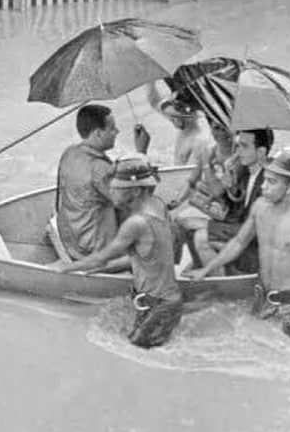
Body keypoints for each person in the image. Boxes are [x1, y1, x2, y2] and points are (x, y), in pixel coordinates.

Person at [189, 148, 290, 337]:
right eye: (265, 179)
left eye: (271, 182)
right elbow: (238, 242)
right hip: (262, 294)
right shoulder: (260, 206)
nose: (263, 186)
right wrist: (206, 269)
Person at [56, 155, 182, 348]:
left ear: (136, 191)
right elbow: (148, 257)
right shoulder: (157, 205)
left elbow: (101, 258)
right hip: (162, 301)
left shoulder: (135, 224)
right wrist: (104, 269)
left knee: (135, 352)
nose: (111, 193)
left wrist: (66, 269)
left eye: (117, 188)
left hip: (159, 304)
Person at [55, 104, 150, 261]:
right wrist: (141, 154)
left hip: (72, 240)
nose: (117, 132)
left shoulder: (70, 153)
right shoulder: (99, 168)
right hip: (94, 248)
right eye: (112, 128)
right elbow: (131, 202)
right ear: (98, 133)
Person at [198, 128, 275, 274]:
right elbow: (236, 207)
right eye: (238, 146)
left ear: (261, 152)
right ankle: (210, 273)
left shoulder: (269, 181)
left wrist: (208, 227)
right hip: (241, 229)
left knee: (200, 236)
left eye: (244, 147)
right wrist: (231, 187)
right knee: (189, 227)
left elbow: (255, 228)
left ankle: (224, 286)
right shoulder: (245, 173)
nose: (238, 152)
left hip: (256, 243)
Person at [168, 117, 238, 267]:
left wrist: (207, 164)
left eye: (223, 128)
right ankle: (178, 264)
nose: (220, 133)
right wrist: (177, 201)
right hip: (205, 205)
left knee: (182, 221)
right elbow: (191, 181)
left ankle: (201, 266)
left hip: (225, 210)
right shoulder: (209, 151)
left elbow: (220, 191)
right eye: (215, 128)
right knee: (172, 221)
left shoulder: (238, 156)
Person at [146, 81, 213, 165]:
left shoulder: (199, 141)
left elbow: (188, 174)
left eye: (178, 114)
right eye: (172, 114)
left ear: (193, 113)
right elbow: (154, 101)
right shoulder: (183, 123)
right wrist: (150, 81)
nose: (171, 118)